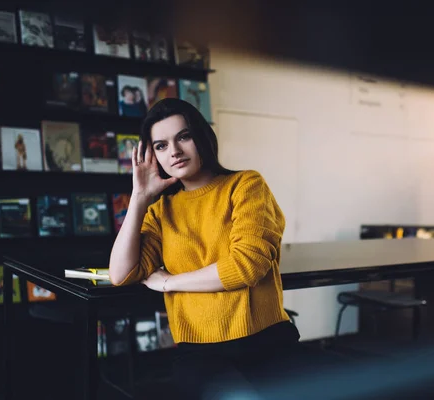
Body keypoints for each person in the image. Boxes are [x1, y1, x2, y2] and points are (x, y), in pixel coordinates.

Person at [108, 98, 302, 399]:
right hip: (199, 352)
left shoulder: (246, 185)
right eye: (160, 145)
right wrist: (138, 198)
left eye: (183, 136)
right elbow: (121, 273)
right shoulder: (160, 211)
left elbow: (246, 266)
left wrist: (169, 282)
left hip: (265, 340)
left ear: (202, 137)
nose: (173, 151)